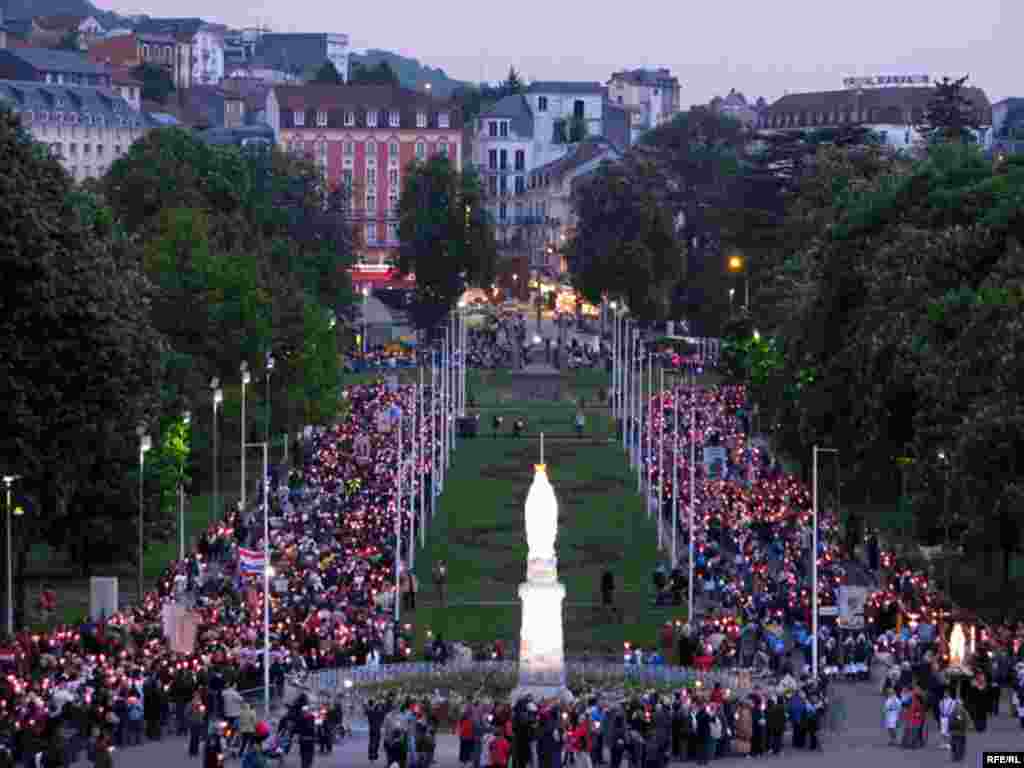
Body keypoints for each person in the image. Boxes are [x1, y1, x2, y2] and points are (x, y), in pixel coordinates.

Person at [948, 695, 971, 763]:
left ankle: (959, 756)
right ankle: (955, 755)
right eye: (957, 704)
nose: (958, 706)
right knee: (954, 744)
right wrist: (949, 728)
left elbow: (968, 720)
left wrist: (968, 726)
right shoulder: (953, 712)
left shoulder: (964, 712)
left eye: (959, 704)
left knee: (961, 744)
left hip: (961, 732)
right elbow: (950, 721)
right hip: (954, 732)